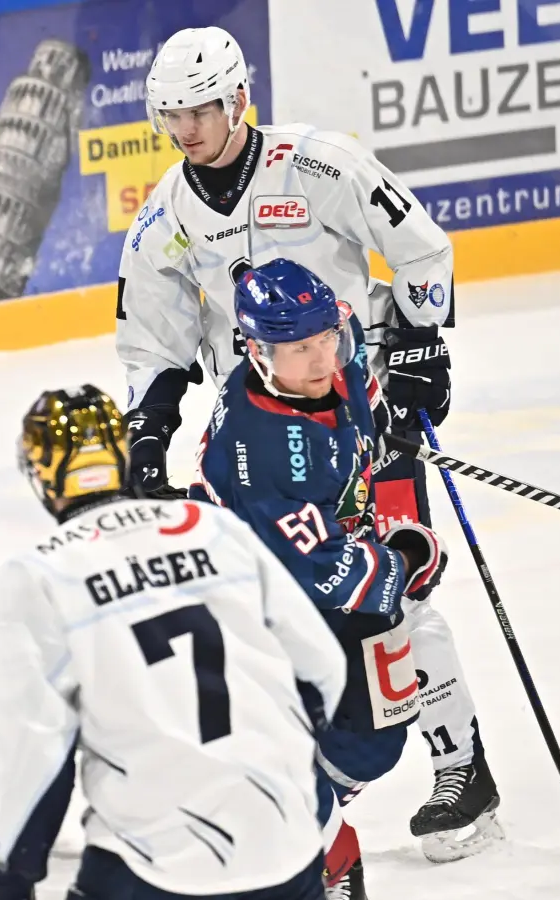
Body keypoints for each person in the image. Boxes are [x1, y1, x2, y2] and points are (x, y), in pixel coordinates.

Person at [115, 25, 498, 863]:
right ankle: (291, 782)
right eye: (172, 115)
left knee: (398, 591)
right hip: (260, 435)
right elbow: (153, 341)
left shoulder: (320, 165)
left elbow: (422, 247)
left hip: (361, 420)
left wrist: (423, 347)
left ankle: (458, 766)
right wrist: (147, 434)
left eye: (202, 110)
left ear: (239, 98)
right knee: (275, 609)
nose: (187, 131)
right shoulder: (162, 222)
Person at [0, 383, 346, 900]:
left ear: (42, 478)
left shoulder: (35, 576)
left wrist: (12, 873)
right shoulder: (214, 528)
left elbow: (30, 750)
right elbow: (321, 668)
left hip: (154, 866)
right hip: (288, 852)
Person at [192, 259, 473, 898]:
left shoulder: (328, 370)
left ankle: (297, 812)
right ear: (258, 352)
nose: (321, 358)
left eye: (326, 339)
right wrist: (405, 559)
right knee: (303, 742)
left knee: (375, 740)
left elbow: (366, 426)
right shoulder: (257, 448)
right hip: (254, 605)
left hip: (320, 582)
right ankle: (314, 846)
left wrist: (406, 404)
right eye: (300, 348)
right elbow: (329, 571)